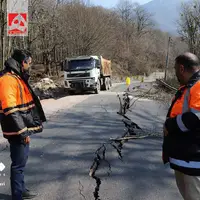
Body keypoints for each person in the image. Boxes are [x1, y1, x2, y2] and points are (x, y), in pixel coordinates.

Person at [0, 49, 46, 200]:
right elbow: (11, 109)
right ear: (22, 62)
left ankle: (21, 189)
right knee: (18, 165)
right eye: (28, 63)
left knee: (21, 162)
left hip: (20, 127)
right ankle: (17, 195)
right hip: (16, 129)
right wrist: (23, 131)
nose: (29, 66)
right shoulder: (7, 79)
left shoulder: (17, 77)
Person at [162, 52, 200, 200]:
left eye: (175, 69)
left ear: (182, 69)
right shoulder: (187, 87)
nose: (175, 72)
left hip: (194, 161)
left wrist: (170, 125)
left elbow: (196, 117)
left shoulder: (197, 86)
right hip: (185, 159)